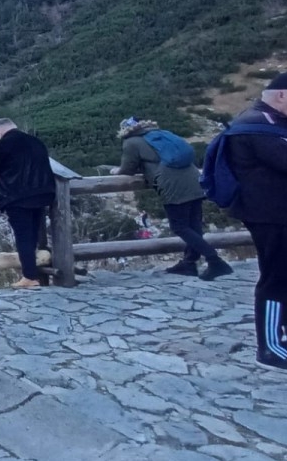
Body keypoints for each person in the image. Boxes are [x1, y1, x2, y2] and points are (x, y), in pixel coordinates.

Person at [218, 72, 287, 371]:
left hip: (275, 213)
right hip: (270, 216)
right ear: (282, 95)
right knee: (275, 279)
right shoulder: (258, 127)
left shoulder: (265, 122)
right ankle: (269, 347)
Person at [112, 117, 233, 280]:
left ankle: (215, 261)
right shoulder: (163, 134)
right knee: (194, 225)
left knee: (180, 226)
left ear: (124, 131)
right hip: (193, 180)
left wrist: (115, 171)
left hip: (172, 185)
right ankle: (189, 264)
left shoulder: (131, 142)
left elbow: (128, 169)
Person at [0, 118, 56, 289]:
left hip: (16, 197)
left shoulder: (1, 146)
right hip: (42, 194)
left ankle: (30, 276)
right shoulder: (36, 142)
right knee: (34, 234)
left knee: (23, 237)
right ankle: (35, 271)